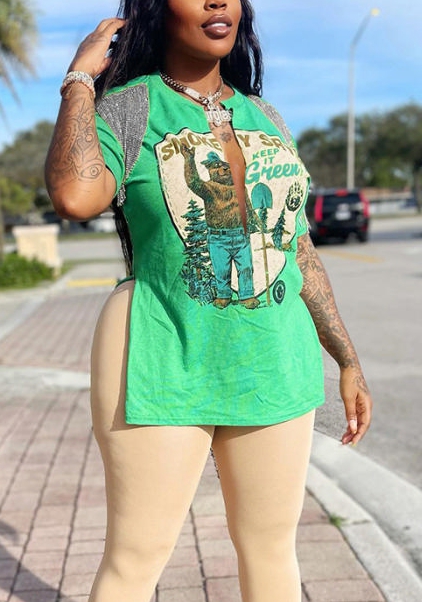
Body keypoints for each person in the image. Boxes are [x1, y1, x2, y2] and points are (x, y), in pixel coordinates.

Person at [45, 1, 373, 601]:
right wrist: (79, 81)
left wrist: (346, 357)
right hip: (163, 353)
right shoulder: (133, 107)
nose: (217, 1)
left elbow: (297, 248)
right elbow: (74, 196)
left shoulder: (265, 116)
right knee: (135, 557)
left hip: (274, 357)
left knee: (272, 549)